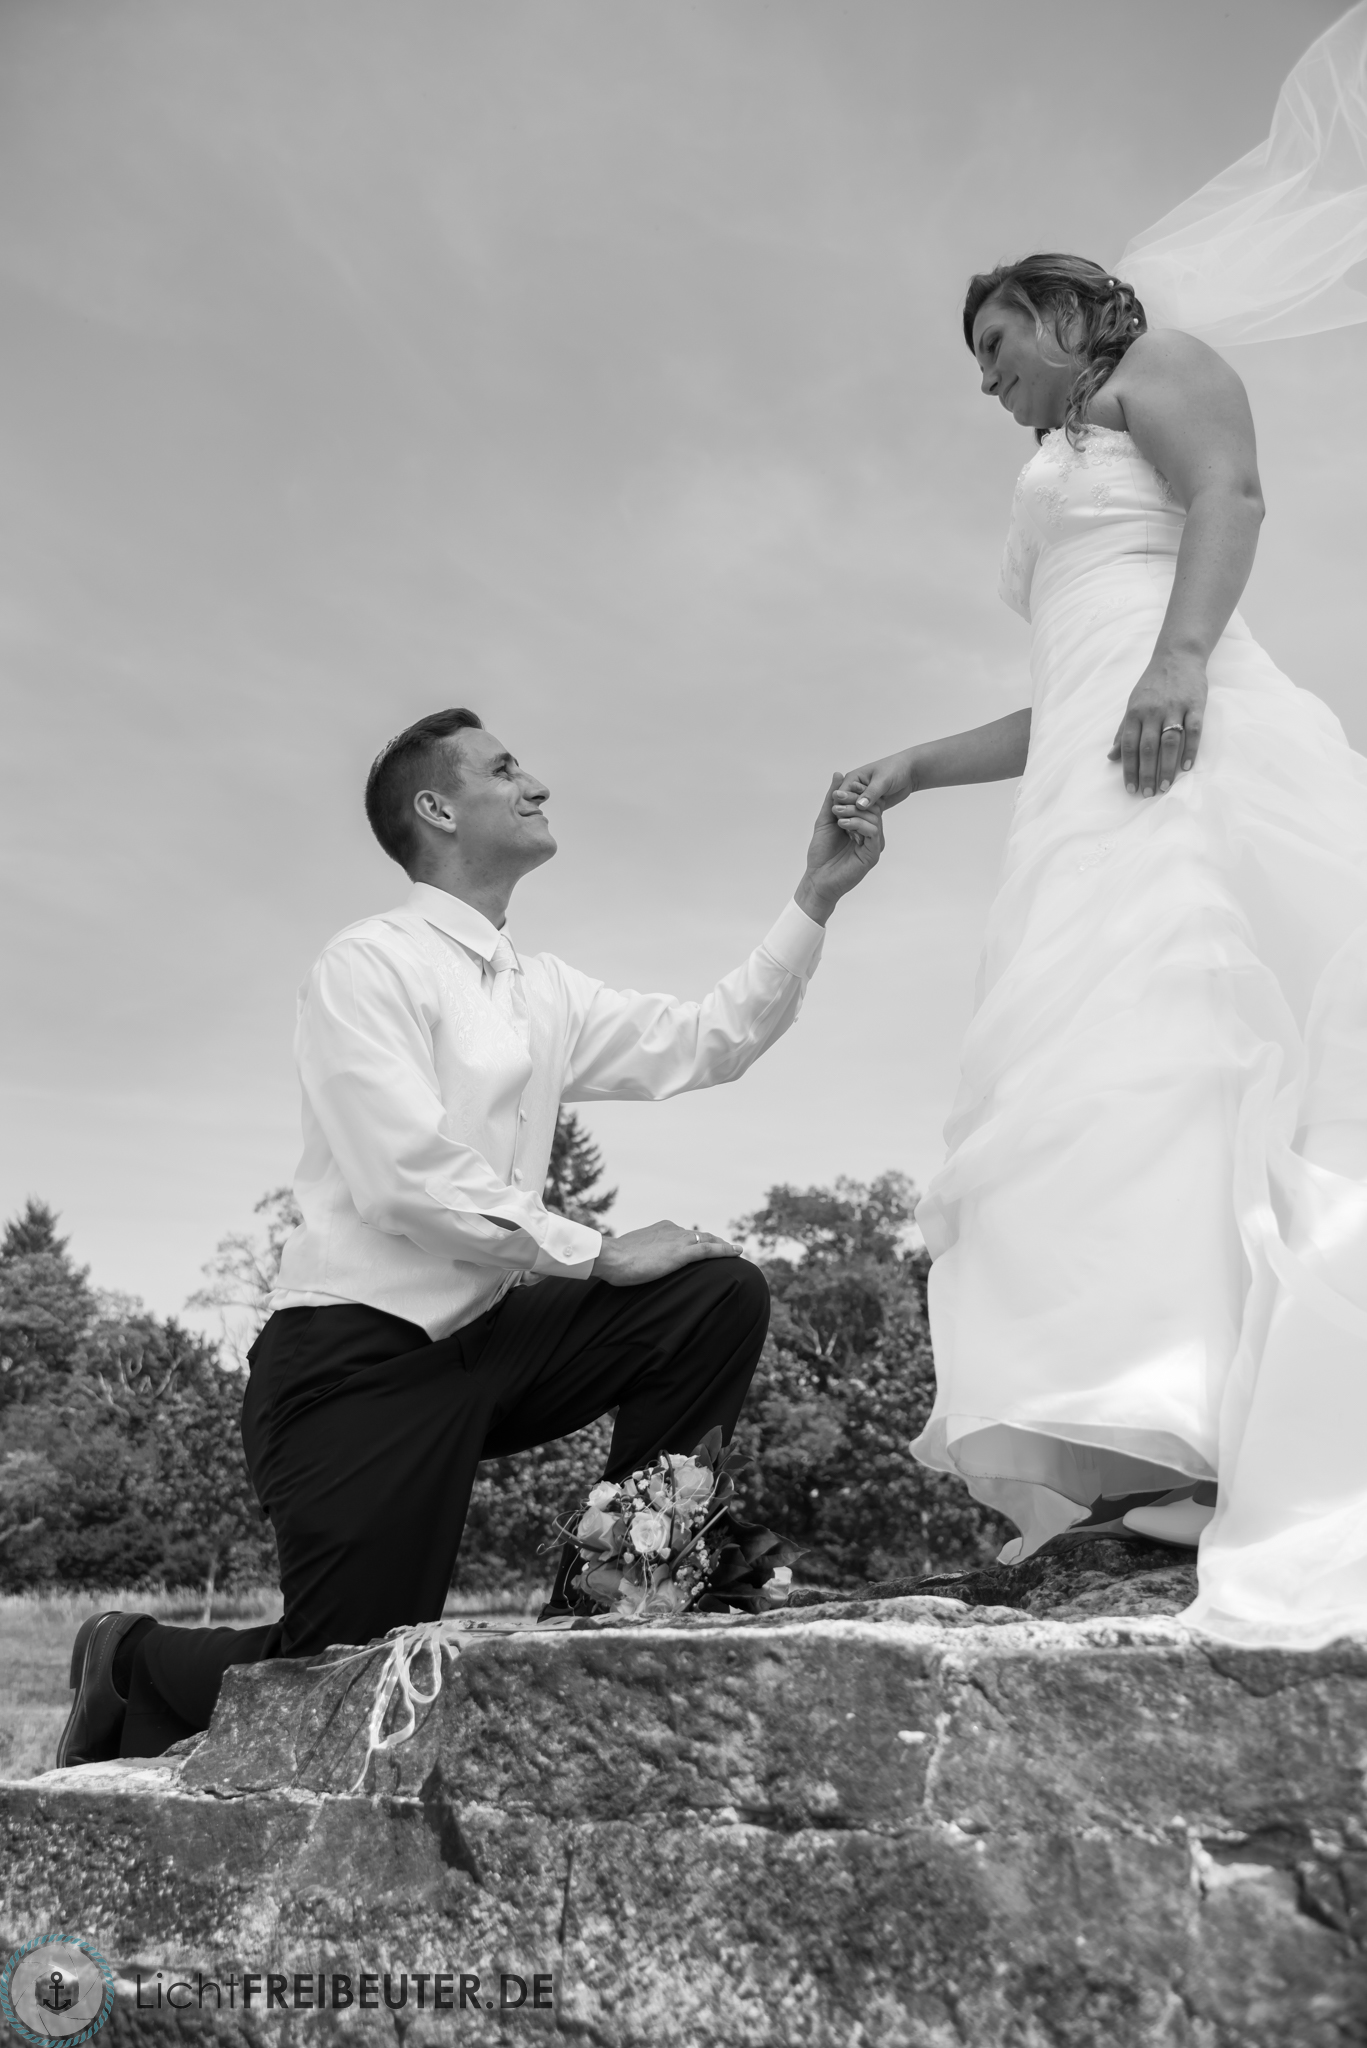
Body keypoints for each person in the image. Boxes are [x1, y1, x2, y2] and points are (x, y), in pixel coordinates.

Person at [59, 708, 883, 1764]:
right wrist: (591, 1248)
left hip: (487, 1348)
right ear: (436, 808)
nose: (536, 782)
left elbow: (704, 1039)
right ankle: (127, 1656)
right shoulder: (368, 963)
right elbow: (405, 1177)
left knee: (712, 1290)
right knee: (347, 1676)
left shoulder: (540, 991)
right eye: (505, 768)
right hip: (353, 1364)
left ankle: (615, 1586)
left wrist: (813, 895)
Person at [832, 250, 1367, 1641]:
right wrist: (912, 764)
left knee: (1193, 1045)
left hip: (1182, 753)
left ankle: (1213, 1429)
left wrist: (1179, 660)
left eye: (998, 340)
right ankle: (1158, 1442)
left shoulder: (1159, 372)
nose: (986, 376)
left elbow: (1227, 499)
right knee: (1101, 1074)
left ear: (1066, 319)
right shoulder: (1058, 462)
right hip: (1089, 783)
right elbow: (1056, 697)